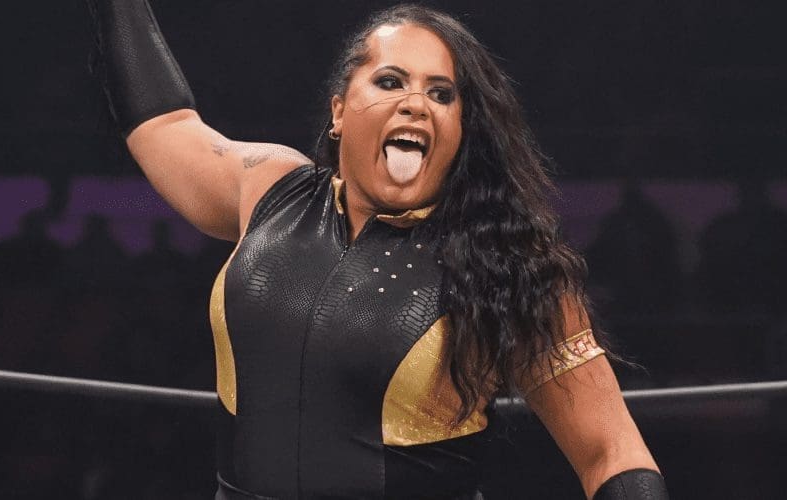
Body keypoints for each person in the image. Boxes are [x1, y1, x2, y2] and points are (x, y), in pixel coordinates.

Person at [87, 1, 668, 499]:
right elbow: (165, 125)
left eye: (441, 93)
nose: (416, 103)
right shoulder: (270, 189)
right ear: (339, 111)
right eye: (391, 82)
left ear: (461, 129)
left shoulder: (506, 263)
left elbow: (612, 452)